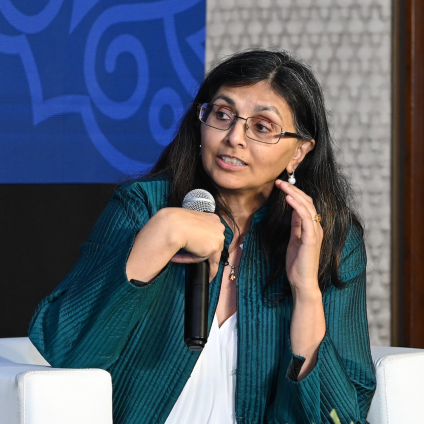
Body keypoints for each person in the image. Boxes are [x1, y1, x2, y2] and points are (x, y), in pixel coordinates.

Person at [29, 49, 376, 424]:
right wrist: (160, 235)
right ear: (201, 122)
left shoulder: (331, 239)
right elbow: (65, 353)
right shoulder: (143, 205)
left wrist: (306, 291)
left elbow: (343, 417)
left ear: (299, 152)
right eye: (222, 115)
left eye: (261, 127)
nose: (234, 138)